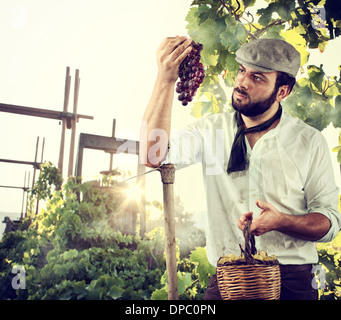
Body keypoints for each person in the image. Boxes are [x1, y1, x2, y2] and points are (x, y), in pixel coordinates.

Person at [140, 36, 341, 300]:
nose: (242, 82)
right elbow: (152, 154)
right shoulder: (209, 131)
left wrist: (282, 222)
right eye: (242, 71)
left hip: (291, 282)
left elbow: (329, 223)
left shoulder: (310, 142)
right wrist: (165, 80)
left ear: (282, 92)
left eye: (258, 78)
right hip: (227, 280)